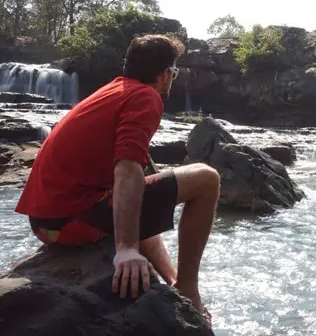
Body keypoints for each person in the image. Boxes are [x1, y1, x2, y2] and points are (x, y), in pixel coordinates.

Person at [15, 34, 220, 316]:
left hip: (45, 222)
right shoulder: (146, 96)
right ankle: (190, 290)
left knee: (136, 191)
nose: (173, 78)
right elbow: (127, 169)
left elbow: (138, 189)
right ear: (164, 74)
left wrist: (167, 277)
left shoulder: (116, 90)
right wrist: (126, 250)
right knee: (207, 179)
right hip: (69, 220)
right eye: (175, 72)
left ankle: (177, 283)